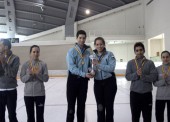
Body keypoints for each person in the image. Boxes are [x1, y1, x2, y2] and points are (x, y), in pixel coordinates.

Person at [66, 30, 94, 122]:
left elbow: (89, 66)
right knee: (71, 108)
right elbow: (72, 68)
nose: (82, 40)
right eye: (80, 38)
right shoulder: (71, 51)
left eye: (83, 38)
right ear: (76, 38)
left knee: (81, 106)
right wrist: (84, 74)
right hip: (73, 81)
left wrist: (91, 70)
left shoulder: (88, 51)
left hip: (83, 82)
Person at [125, 42, 157, 122]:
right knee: (135, 117)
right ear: (134, 52)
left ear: (144, 50)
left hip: (147, 94)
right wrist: (136, 74)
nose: (139, 52)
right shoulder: (130, 63)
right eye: (137, 50)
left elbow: (154, 77)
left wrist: (143, 76)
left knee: (147, 117)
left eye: (141, 50)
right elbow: (127, 76)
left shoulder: (150, 63)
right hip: (135, 94)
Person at [20, 45, 49, 122]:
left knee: (40, 117)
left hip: (40, 94)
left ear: (39, 53)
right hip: (28, 94)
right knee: (30, 117)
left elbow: (46, 79)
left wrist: (37, 74)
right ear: (30, 53)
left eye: (37, 52)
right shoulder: (25, 65)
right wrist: (29, 75)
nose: (36, 53)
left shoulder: (43, 64)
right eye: (34, 52)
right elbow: (22, 79)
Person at [92, 37, 117, 122]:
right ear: (95, 45)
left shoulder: (109, 54)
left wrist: (98, 64)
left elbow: (111, 68)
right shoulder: (92, 55)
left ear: (104, 44)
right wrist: (91, 71)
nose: (99, 46)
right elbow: (91, 68)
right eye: (97, 44)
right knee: (100, 106)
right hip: (98, 83)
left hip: (109, 83)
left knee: (109, 106)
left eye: (101, 44)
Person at [0, 39, 20, 122]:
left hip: (11, 90)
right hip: (0, 90)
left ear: (6, 47)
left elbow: (13, 73)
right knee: (0, 115)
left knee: (12, 115)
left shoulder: (15, 58)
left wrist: (4, 63)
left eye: (0, 45)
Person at [153, 51, 170, 122]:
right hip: (160, 97)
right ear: (161, 58)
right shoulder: (157, 69)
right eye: (163, 57)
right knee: (159, 117)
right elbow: (155, 83)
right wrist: (163, 81)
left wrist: (167, 79)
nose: (165, 59)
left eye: (167, 57)